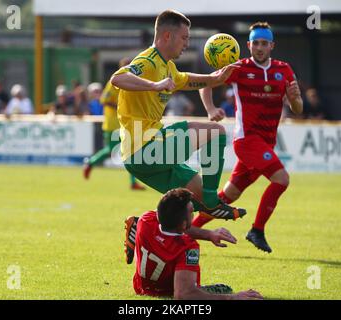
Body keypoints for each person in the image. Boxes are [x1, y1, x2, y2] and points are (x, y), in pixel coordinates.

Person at [111, 10, 247, 264]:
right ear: (167, 35)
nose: (187, 43)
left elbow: (186, 81)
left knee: (187, 206)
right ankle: (211, 202)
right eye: (184, 38)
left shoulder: (168, 66)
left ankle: (138, 226)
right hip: (145, 146)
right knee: (215, 133)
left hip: (140, 157)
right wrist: (154, 85)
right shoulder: (149, 61)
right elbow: (117, 78)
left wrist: (215, 78)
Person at [197, 22, 303, 253]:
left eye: (264, 43)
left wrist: (295, 99)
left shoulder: (284, 70)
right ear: (249, 45)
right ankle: (257, 230)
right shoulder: (238, 68)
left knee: (228, 196)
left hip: (266, 144)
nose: (260, 47)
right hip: (246, 141)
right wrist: (210, 108)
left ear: (272, 45)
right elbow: (205, 84)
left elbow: (298, 108)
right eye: (256, 43)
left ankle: (189, 229)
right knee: (281, 179)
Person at [129, 188, 263, 300]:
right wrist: (231, 297)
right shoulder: (187, 246)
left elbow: (166, 213)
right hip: (168, 292)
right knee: (204, 291)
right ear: (182, 224)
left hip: (141, 288)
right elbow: (183, 295)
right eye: (192, 212)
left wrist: (209, 234)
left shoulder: (145, 220)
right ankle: (200, 290)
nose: (194, 215)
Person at [83, 58, 146, 190]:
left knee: (131, 151)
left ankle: (133, 182)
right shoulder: (115, 81)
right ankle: (91, 162)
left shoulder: (131, 82)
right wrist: (120, 106)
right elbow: (104, 99)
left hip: (125, 123)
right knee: (111, 151)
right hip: (113, 123)